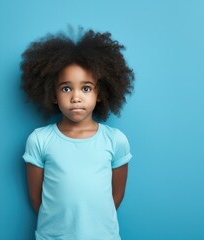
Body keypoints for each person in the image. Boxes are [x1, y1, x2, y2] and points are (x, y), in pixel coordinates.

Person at [20, 26, 135, 240]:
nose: (76, 97)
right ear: (52, 94)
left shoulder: (115, 140)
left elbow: (115, 197)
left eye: (86, 88)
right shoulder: (39, 140)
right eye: (66, 88)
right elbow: (37, 200)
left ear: (100, 94)